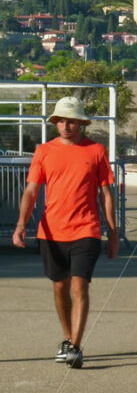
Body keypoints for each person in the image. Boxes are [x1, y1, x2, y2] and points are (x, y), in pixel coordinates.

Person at [12, 96, 118, 369]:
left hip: (87, 229)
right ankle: (68, 338)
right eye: (61, 120)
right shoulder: (44, 151)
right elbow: (31, 191)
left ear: (81, 123)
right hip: (51, 231)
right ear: (55, 122)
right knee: (60, 287)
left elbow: (106, 193)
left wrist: (113, 232)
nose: (66, 125)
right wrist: (22, 224)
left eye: (71, 120)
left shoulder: (96, 151)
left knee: (79, 285)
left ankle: (75, 346)